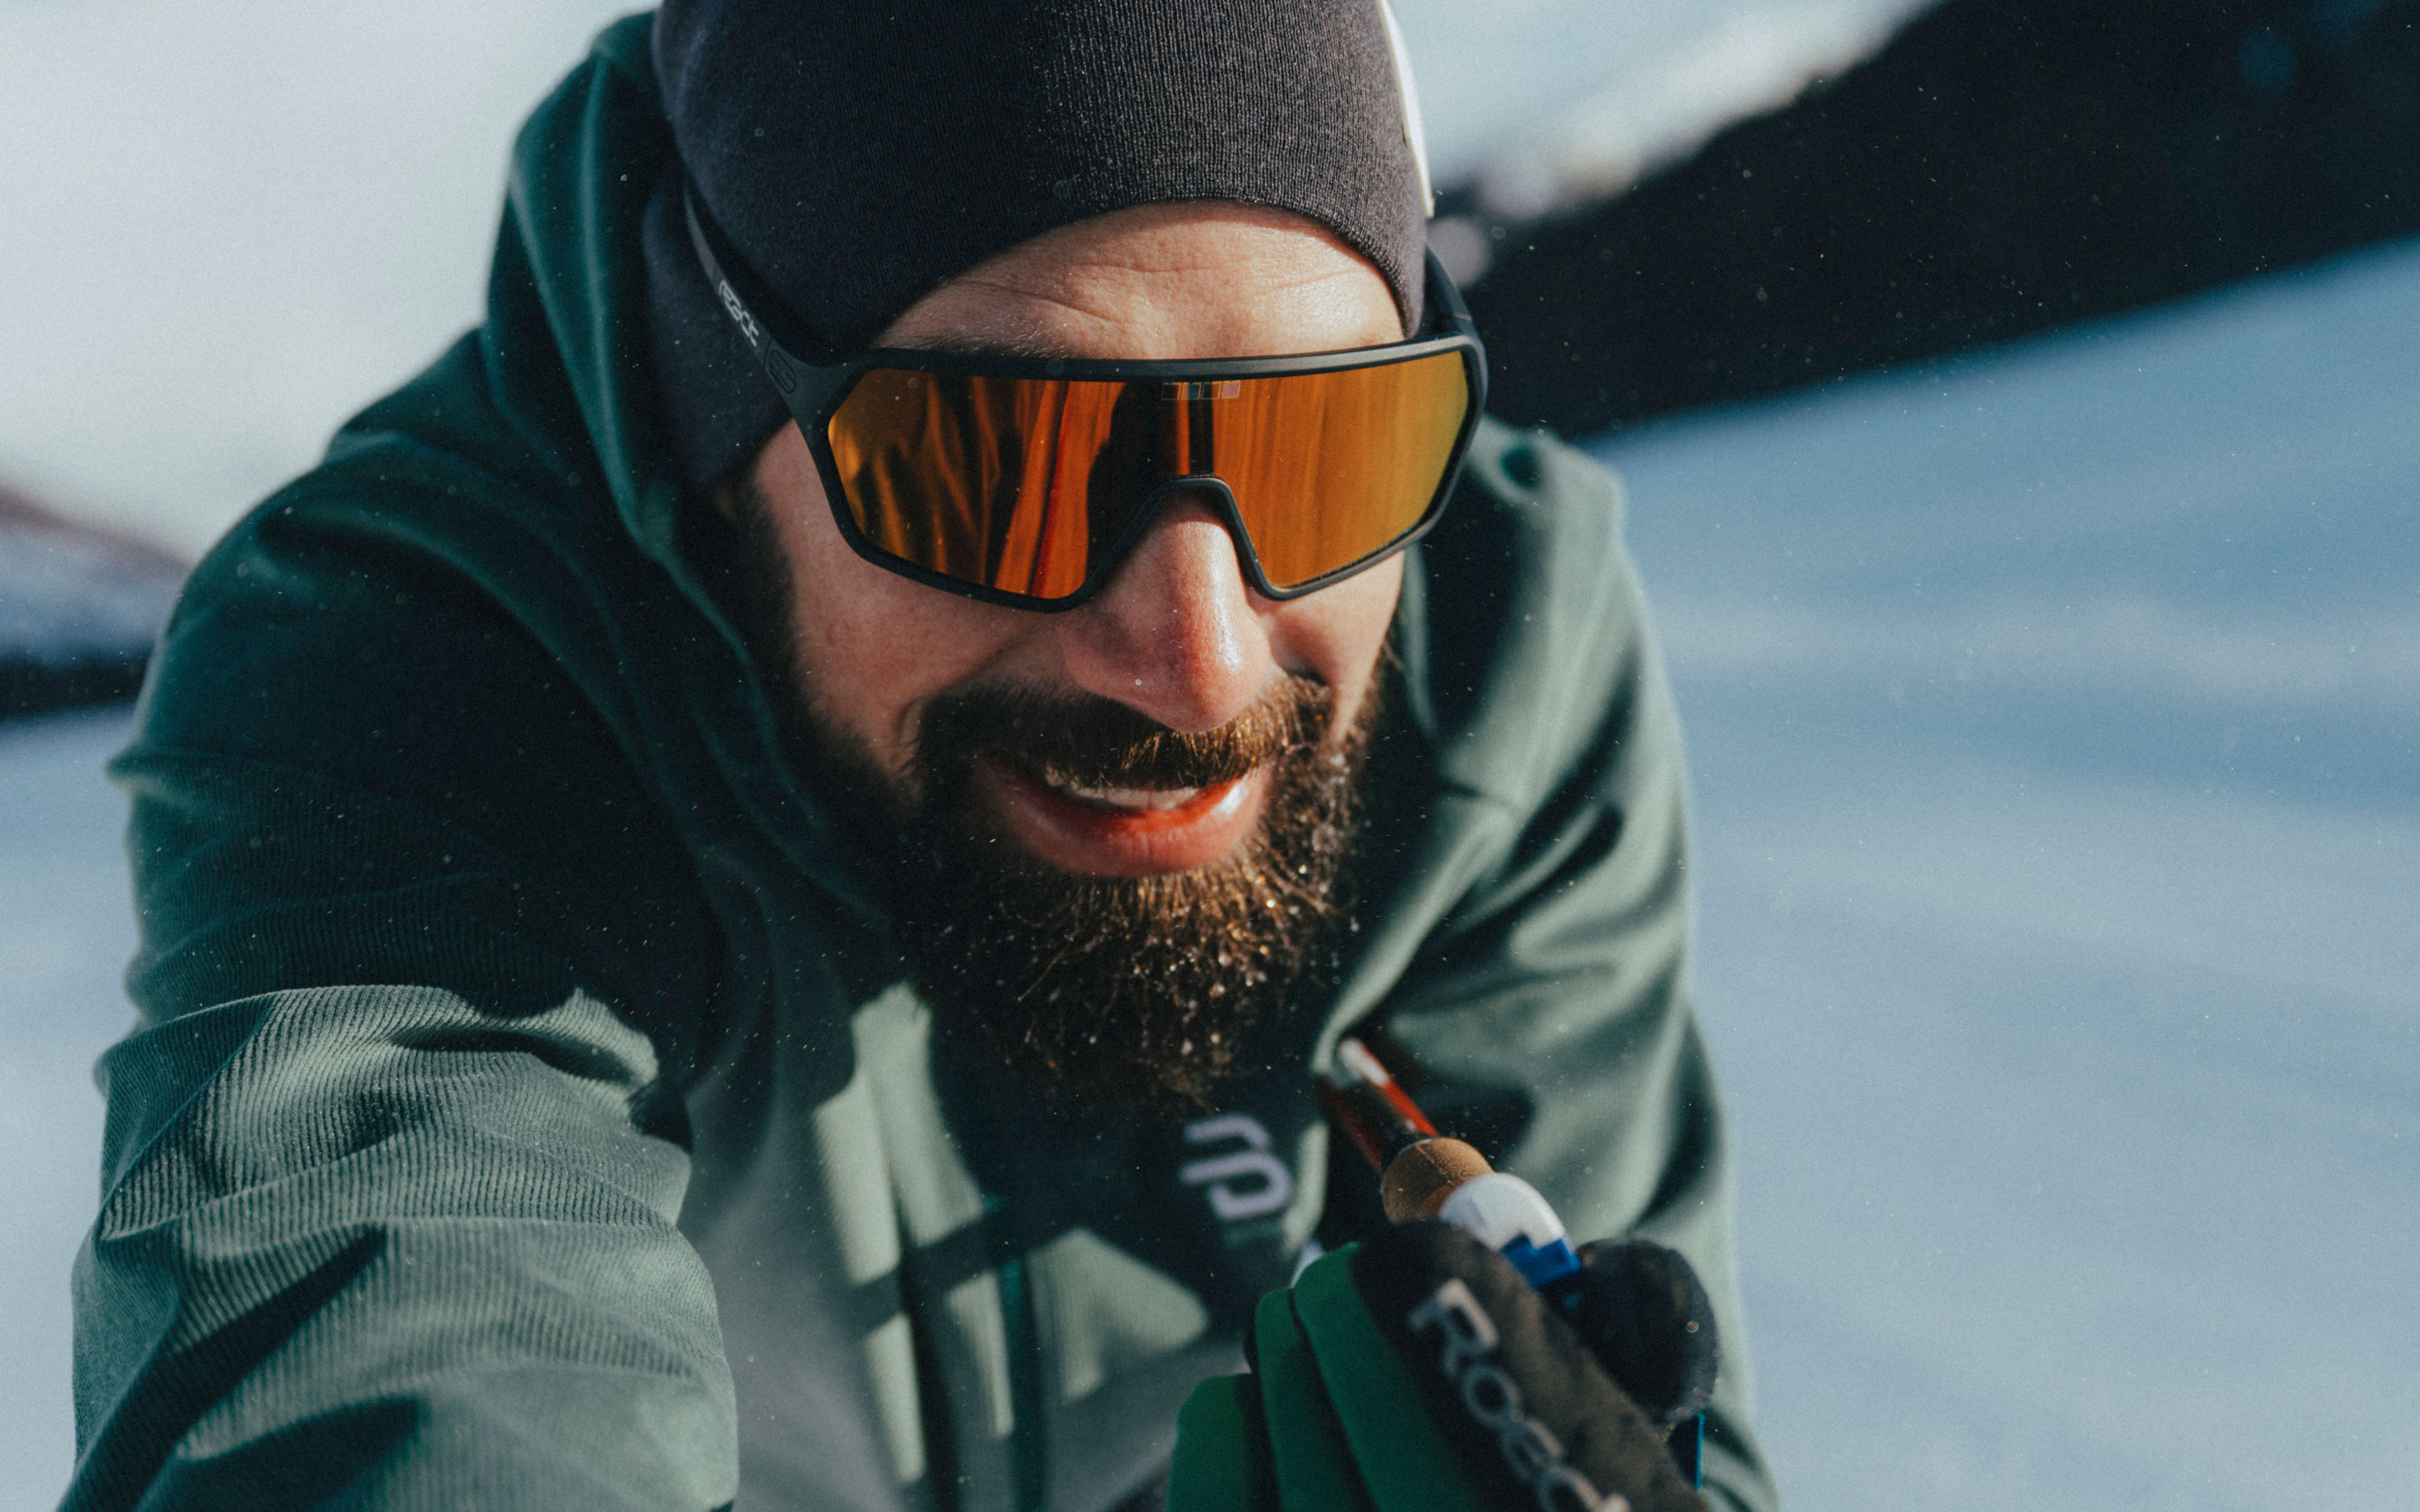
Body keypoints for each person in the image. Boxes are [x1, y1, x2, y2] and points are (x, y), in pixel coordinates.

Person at [71, 4, 1777, 1509]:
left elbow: (1633, 1405)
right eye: (1002, 466)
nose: (1201, 658)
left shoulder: (1494, 646)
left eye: (1332, 442)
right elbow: (389, 1369)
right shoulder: (414, 669)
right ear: (721, 411)